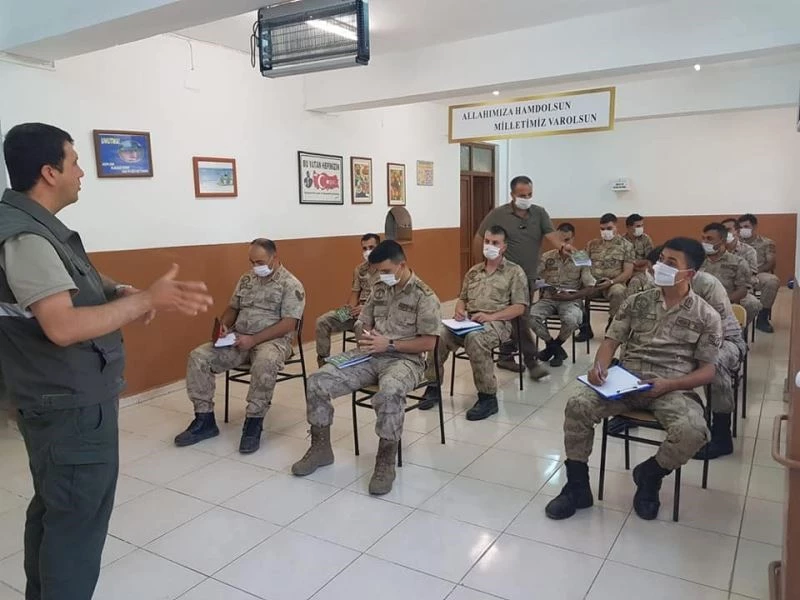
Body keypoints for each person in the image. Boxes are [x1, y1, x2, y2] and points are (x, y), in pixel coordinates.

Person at [0, 123, 214, 600]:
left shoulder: (32, 226)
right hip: (69, 405)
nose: (82, 173)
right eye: (75, 162)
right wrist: (145, 301)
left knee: (55, 510)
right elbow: (62, 326)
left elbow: (71, 279)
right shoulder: (27, 237)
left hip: (54, 397)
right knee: (77, 524)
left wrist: (122, 291)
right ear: (49, 172)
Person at [546, 238, 721, 522]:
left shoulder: (706, 315)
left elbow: (707, 371)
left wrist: (670, 385)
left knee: (694, 431)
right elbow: (610, 342)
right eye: (661, 259)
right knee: (578, 404)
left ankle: (650, 476)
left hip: (671, 387)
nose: (660, 266)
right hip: (626, 382)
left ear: (689, 273)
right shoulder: (637, 301)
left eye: (671, 263)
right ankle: (577, 487)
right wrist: (599, 368)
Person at [291, 241, 440, 495]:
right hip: (369, 354)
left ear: (402, 265)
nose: (381, 276)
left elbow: (429, 342)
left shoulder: (424, 296)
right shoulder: (379, 288)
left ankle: (385, 461)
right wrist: (364, 331)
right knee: (317, 380)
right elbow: (362, 320)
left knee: (390, 392)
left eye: (385, 271)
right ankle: (320, 448)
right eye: (379, 271)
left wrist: (389, 343)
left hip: (405, 359)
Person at [174, 239, 305, 455]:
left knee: (265, 362)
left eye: (260, 262)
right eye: (252, 262)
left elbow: (289, 324)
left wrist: (254, 340)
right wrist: (224, 326)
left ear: (275, 257)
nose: (255, 266)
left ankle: (253, 423)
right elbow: (233, 308)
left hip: (273, 340)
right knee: (199, 356)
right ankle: (204, 420)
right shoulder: (246, 279)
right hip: (239, 339)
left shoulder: (291, 284)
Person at [473, 175, 575, 380]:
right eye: (522, 195)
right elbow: (479, 237)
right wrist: (480, 266)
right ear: (512, 194)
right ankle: (531, 361)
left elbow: (551, 235)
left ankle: (506, 355)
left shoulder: (539, 213)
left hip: (527, 277)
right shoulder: (498, 214)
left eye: (529, 194)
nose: (526, 198)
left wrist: (562, 246)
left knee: (516, 317)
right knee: (519, 317)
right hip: (502, 276)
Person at [421, 225, 528, 420]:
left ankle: (488, 398)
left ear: (504, 247)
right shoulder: (474, 271)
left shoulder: (514, 272)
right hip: (469, 321)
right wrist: (459, 310)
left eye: (495, 243)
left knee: (475, 338)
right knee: (438, 334)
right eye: (487, 241)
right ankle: (433, 386)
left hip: (498, 323)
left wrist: (491, 317)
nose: (489, 246)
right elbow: (462, 298)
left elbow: (519, 307)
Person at [531, 223, 596, 368]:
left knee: (572, 320)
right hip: (549, 298)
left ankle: (554, 347)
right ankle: (554, 347)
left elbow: (590, 287)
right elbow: (533, 276)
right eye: (560, 240)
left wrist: (571, 297)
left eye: (567, 240)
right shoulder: (547, 257)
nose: (564, 244)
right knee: (531, 316)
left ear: (573, 239)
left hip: (570, 300)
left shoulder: (581, 258)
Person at [315, 233, 380, 366]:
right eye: (364, 248)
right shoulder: (360, 269)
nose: (368, 251)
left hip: (375, 313)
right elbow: (355, 294)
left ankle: (364, 364)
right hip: (357, 310)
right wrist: (349, 308)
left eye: (371, 247)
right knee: (323, 321)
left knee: (359, 325)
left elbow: (388, 301)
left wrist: (365, 309)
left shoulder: (386, 269)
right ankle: (323, 362)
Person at [576, 213, 634, 341]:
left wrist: (611, 282)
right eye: (602, 229)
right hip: (593, 284)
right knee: (576, 292)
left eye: (609, 228)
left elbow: (628, 272)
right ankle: (584, 328)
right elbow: (581, 262)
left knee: (619, 292)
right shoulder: (592, 244)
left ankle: (612, 327)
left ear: (616, 227)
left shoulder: (626, 246)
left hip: (613, 283)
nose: (605, 231)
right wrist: (572, 252)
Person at [699, 223, 761, 325]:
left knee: (752, 304)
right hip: (700, 302)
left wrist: (722, 302)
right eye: (703, 238)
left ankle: (739, 329)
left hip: (727, 300)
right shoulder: (697, 260)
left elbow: (742, 290)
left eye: (709, 239)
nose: (705, 242)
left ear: (723, 241)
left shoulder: (737, 262)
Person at [738, 213, 779, 333]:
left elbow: (770, 263)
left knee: (772, 281)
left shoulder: (766, 243)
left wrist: (754, 272)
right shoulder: (734, 243)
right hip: (737, 275)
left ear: (754, 227)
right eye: (740, 227)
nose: (743, 230)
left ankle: (762, 319)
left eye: (746, 226)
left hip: (758, 273)